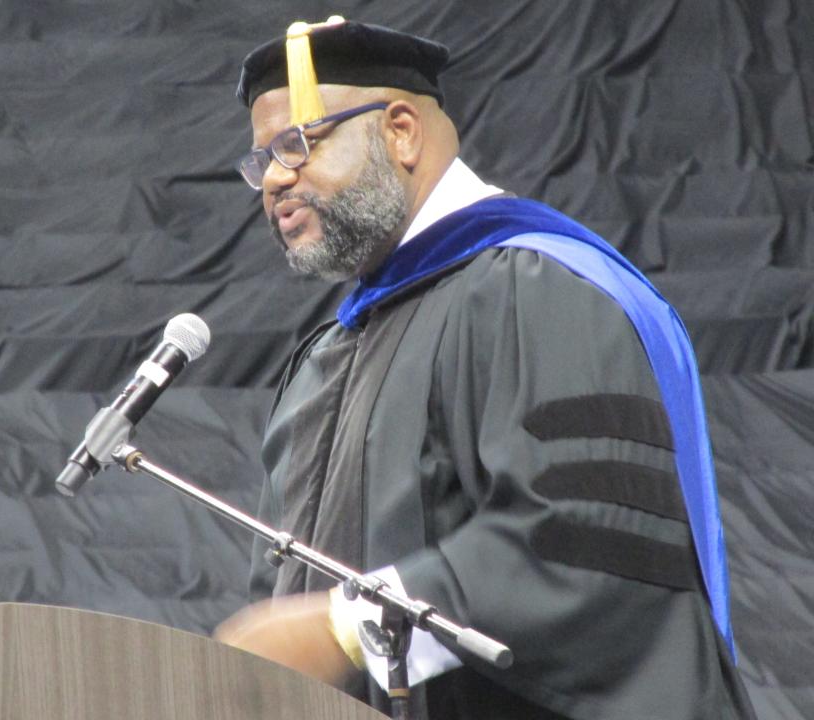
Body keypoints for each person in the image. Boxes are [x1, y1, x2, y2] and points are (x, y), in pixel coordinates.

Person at [215, 17, 757, 720]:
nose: (275, 181)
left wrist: (342, 626)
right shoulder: (330, 354)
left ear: (401, 131)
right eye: (261, 162)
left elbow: (581, 546)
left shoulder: (535, 285)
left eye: (296, 144)